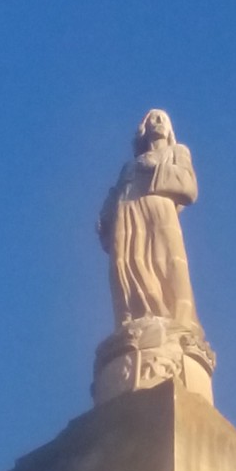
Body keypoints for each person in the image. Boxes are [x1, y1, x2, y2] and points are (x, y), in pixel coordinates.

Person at [98, 109, 202, 333]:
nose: (157, 123)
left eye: (162, 119)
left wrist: (156, 167)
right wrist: (106, 219)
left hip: (160, 210)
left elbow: (189, 186)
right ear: (143, 130)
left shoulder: (177, 151)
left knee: (168, 262)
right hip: (127, 213)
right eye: (151, 119)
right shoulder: (129, 166)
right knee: (125, 263)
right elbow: (116, 193)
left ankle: (179, 321)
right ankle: (133, 316)